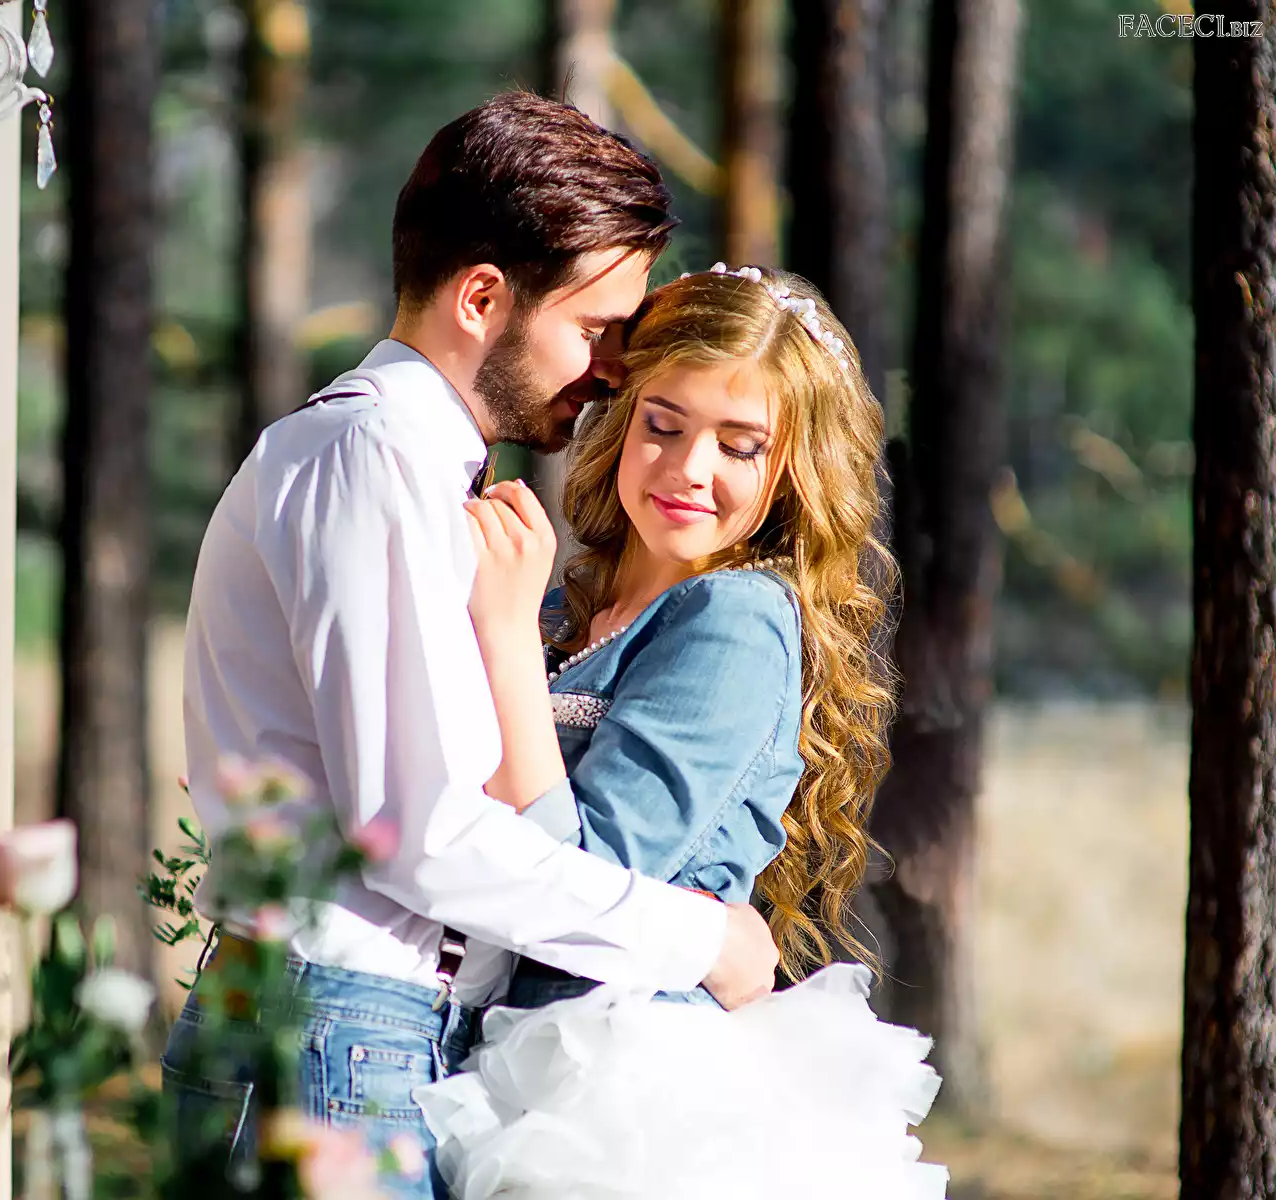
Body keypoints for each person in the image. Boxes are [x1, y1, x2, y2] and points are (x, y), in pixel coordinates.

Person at [163, 93, 780, 1197]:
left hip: (353, 1026)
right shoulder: (370, 454)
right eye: (593, 331)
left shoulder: (406, 464)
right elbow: (420, 831)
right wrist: (700, 941)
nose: (611, 369)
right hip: (334, 1025)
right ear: (484, 298)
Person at [416, 264, 947, 1198]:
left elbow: (586, 878)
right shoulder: (568, 615)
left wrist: (499, 633)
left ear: (792, 471)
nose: (689, 469)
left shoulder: (734, 619)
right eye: (663, 425)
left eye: (741, 446)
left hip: (620, 1093)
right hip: (511, 1046)